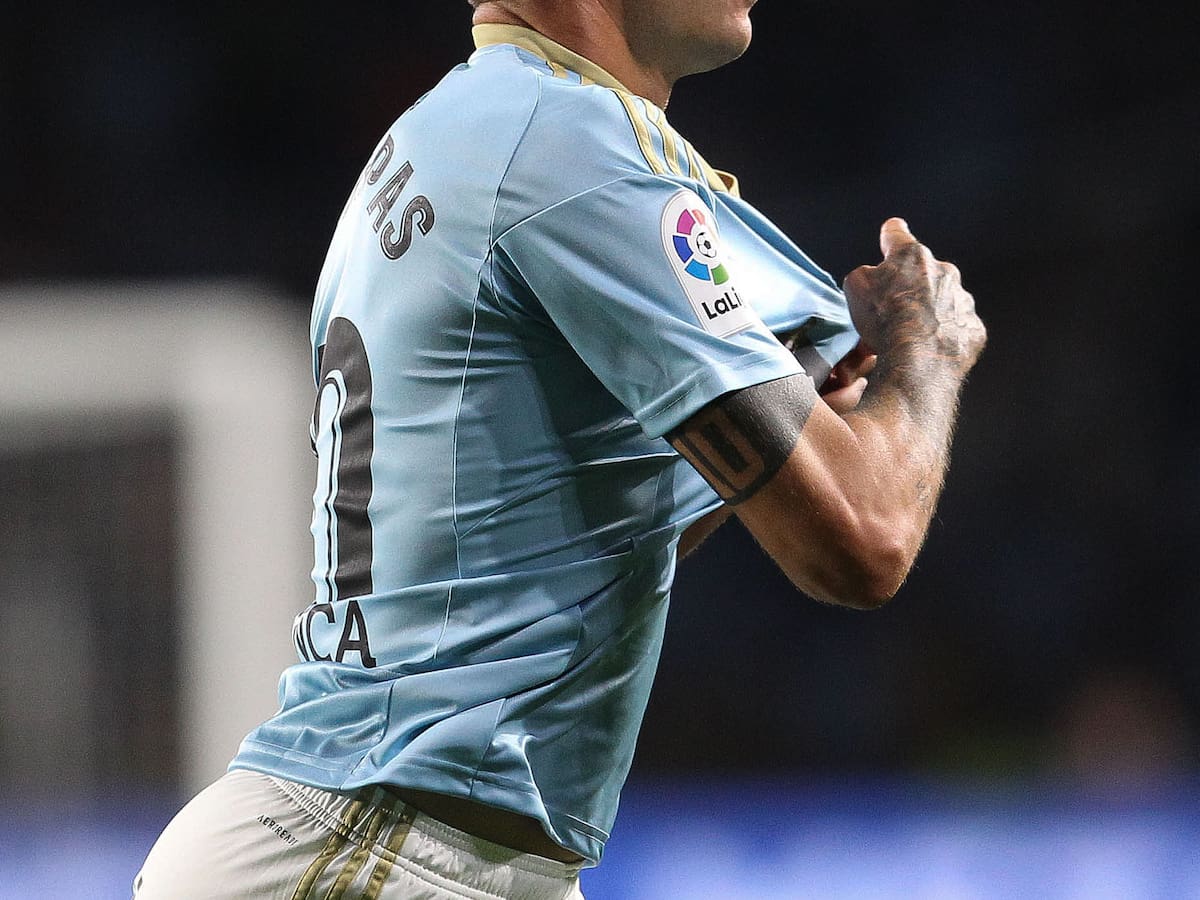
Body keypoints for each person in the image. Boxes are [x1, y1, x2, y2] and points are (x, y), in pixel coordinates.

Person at [134, 0, 985, 897]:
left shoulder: (454, 133)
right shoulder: (577, 147)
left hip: (369, 836)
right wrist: (927, 347)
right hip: (390, 846)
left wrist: (788, 406)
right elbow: (863, 539)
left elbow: (567, 537)